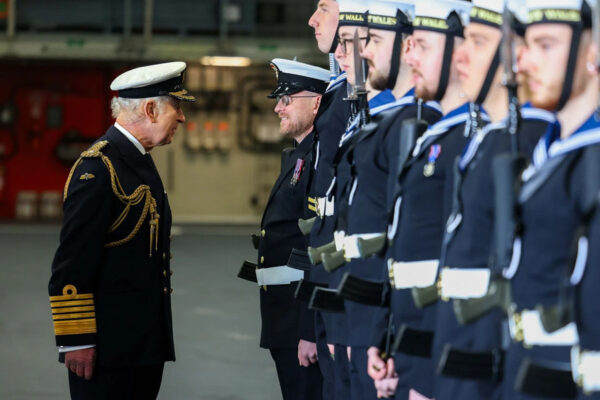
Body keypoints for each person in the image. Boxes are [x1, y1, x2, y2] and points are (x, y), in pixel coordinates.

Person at [429, 0, 555, 399]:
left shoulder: (532, 143)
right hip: (463, 352)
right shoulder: (491, 139)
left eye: (479, 42)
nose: (461, 56)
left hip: (494, 367)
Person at [48, 61, 194, 399]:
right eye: (177, 106)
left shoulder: (135, 159)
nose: (182, 117)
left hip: (140, 345)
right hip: (107, 349)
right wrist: (76, 339)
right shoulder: (99, 168)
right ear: (150, 109)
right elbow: (71, 264)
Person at [363, 1, 472, 399]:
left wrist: (427, 375)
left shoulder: (466, 141)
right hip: (410, 337)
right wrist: (390, 342)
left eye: (422, 46)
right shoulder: (436, 136)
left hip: (436, 350)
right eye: (409, 46)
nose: (410, 58)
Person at [503, 1, 599, 399]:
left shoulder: (592, 160)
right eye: (526, 46)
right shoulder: (553, 152)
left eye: (545, 45)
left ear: (593, 54)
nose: (523, 62)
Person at [252, 58, 330, 400]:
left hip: (301, 320)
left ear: (316, 102)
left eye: (287, 99)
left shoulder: (321, 159)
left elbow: (318, 247)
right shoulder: (299, 155)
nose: (278, 108)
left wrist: (309, 330)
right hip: (284, 315)